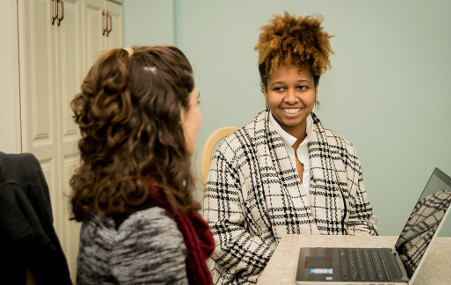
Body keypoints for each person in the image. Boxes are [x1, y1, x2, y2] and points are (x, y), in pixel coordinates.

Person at [203, 12, 378, 284]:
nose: (291, 98)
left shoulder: (343, 151)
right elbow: (221, 237)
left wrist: (337, 268)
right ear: (264, 90)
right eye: (279, 88)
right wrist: (301, 265)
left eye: (302, 86)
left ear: (316, 89)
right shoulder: (232, 152)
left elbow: (363, 223)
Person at [70, 46, 214, 285]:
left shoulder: (114, 191)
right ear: (172, 117)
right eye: (194, 103)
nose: (199, 115)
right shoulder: (148, 229)